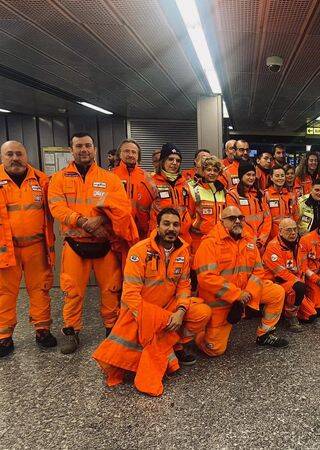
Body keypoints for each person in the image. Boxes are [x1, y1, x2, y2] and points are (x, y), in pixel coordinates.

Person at [92, 208, 212, 396]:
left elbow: (184, 287)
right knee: (119, 361)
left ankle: (172, 345)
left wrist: (180, 311)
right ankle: (168, 348)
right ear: (157, 226)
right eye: (166, 224)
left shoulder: (183, 252)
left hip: (170, 307)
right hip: (139, 311)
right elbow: (130, 295)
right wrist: (157, 318)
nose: (171, 228)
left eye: (175, 224)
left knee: (202, 312)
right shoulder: (138, 251)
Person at [48, 132, 138, 354]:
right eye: (79, 146)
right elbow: (56, 207)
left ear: (95, 149)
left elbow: (123, 207)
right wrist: (79, 220)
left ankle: (111, 329)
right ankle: (71, 331)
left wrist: (102, 219)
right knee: (72, 291)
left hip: (104, 242)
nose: (84, 150)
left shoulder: (110, 179)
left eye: (88, 145)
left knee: (111, 289)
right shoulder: (58, 179)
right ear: (72, 150)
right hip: (74, 242)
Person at [195, 206, 288, 356]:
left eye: (240, 217)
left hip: (245, 293)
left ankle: (265, 334)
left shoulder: (249, 240)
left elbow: (258, 271)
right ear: (222, 221)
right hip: (220, 300)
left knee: (277, 292)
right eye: (232, 219)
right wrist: (236, 295)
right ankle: (199, 333)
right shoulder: (210, 243)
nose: (237, 221)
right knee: (214, 350)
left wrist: (248, 294)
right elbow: (206, 278)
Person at [0, 141, 56, 357]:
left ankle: (42, 330)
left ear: (26, 155)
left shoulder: (42, 180)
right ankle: (4, 337)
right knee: (5, 293)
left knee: (40, 289)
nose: (15, 158)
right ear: (3, 157)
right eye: (9, 154)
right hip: (6, 249)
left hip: (36, 247)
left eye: (19, 154)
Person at [263, 218, 314, 332]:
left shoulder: (298, 245)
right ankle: (290, 316)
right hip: (274, 284)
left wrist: (302, 280)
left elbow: (302, 267)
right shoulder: (273, 247)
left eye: (295, 230)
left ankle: (287, 307)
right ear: (280, 231)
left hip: (292, 282)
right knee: (298, 287)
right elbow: (281, 273)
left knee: (311, 316)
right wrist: (299, 282)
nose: (293, 233)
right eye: (288, 230)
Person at [149, 143, 194, 243]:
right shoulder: (151, 183)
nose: (174, 163)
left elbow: (190, 210)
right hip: (159, 236)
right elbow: (143, 212)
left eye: (178, 160)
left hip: (182, 236)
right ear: (163, 161)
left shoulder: (185, 184)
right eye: (170, 159)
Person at [112, 139, 156, 239]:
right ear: (119, 154)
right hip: (117, 233)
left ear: (138, 156)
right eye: (126, 151)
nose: (130, 155)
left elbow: (154, 205)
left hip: (141, 232)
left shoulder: (147, 177)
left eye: (134, 152)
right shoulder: (110, 176)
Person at [226, 161, 271, 252]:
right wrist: (250, 239)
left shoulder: (260, 194)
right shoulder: (233, 195)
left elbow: (267, 218)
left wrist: (262, 239)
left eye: (253, 175)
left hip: (261, 244)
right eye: (248, 175)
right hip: (242, 242)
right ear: (241, 176)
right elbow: (234, 221)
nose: (251, 178)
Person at [187, 156, 226, 255]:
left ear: (219, 173)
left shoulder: (223, 191)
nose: (212, 173)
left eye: (215, 170)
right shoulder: (194, 189)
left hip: (220, 239)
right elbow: (188, 216)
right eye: (208, 170)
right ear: (203, 171)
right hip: (199, 239)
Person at [265, 166, 299, 240]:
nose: (280, 178)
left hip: (289, 236)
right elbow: (265, 219)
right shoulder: (266, 195)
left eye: (282, 176)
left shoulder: (292, 195)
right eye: (277, 176)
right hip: (271, 236)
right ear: (271, 177)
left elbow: (296, 216)